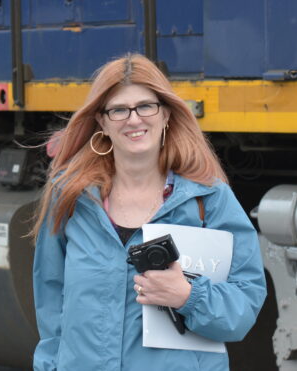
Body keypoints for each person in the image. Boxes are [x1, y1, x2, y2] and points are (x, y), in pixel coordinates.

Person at [31, 54, 266, 370]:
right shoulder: (71, 197)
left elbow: (244, 306)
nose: (133, 119)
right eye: (118, 110)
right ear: (101, 120)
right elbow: (51, 306)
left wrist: (188, 296)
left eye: (145, 106)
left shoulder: (209, 199)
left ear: (166, 113)